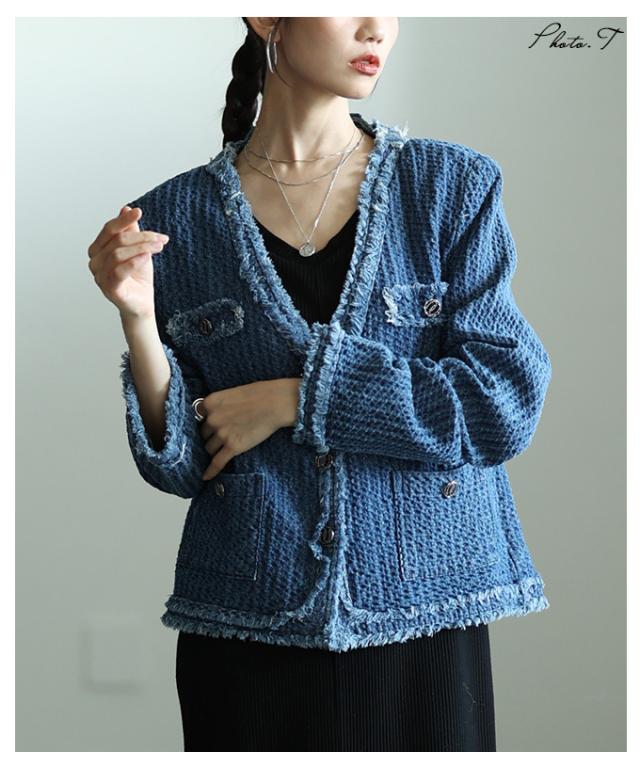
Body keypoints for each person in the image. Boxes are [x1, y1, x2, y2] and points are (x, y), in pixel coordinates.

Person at [88, 17, 552, 752]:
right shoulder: (174, 220)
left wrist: (298, 398)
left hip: (427, 617)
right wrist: (138, 320)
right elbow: (181, 465)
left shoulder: (449, 186)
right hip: (247, 624)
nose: (377, 27)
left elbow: (502, 402)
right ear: (265, 14)